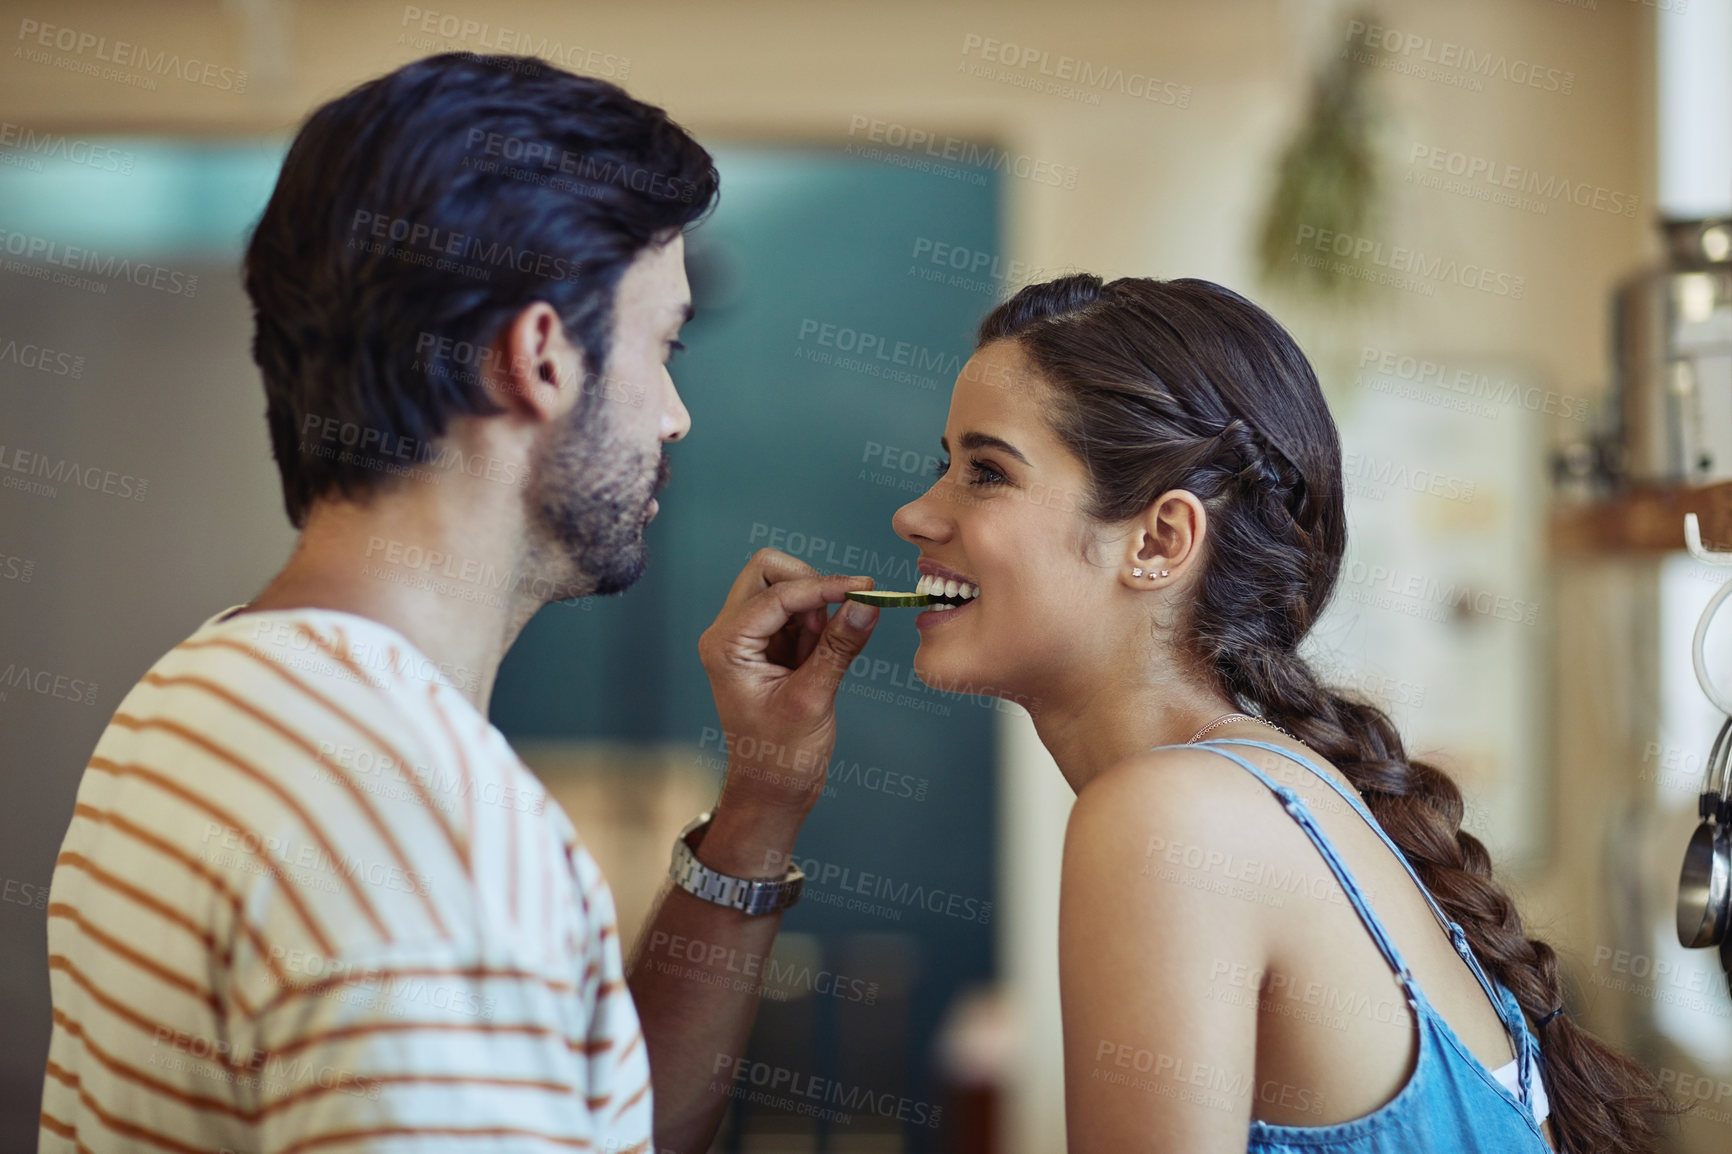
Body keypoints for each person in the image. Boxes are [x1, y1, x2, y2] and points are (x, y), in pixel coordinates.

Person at [38, 53, 883, 1154]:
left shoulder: (194, 696)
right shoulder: (434, 833)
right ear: (537, 356)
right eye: (661, 346)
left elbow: (590, 1123)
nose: (675, 415)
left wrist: (759, 809)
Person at [889, 274, 1676, 1153]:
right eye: (943, 466)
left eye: (986, 473)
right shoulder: (1272, 785)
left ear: (1158, 541)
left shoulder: (1170, 818)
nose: (915, 513)